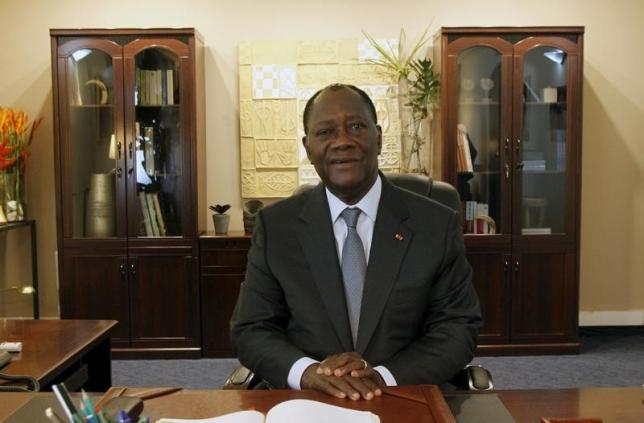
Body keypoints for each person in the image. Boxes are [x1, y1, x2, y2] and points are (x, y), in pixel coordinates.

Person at [231, 83, 481, 401]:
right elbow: (251, 329)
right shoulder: (277, 227)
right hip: (308, 401)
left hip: (405, 395)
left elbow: (457, 328)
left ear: (377, 136)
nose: (342, 142)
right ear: (308, 148)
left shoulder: (436, 223)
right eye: (325, 132)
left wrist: (381, 376)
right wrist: (308, 373)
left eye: (356, 127)